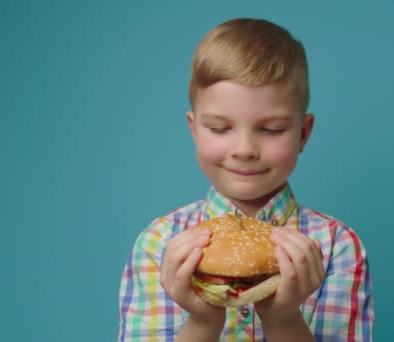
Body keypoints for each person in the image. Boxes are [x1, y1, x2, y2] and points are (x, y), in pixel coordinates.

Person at [118, 18, 374, 341]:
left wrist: (283, 319)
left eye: (271, 129)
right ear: (194, 130)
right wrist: (201, 321)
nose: (244, 150)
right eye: (220, 128)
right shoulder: (159, 245)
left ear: (303, 134)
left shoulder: (337, 247)